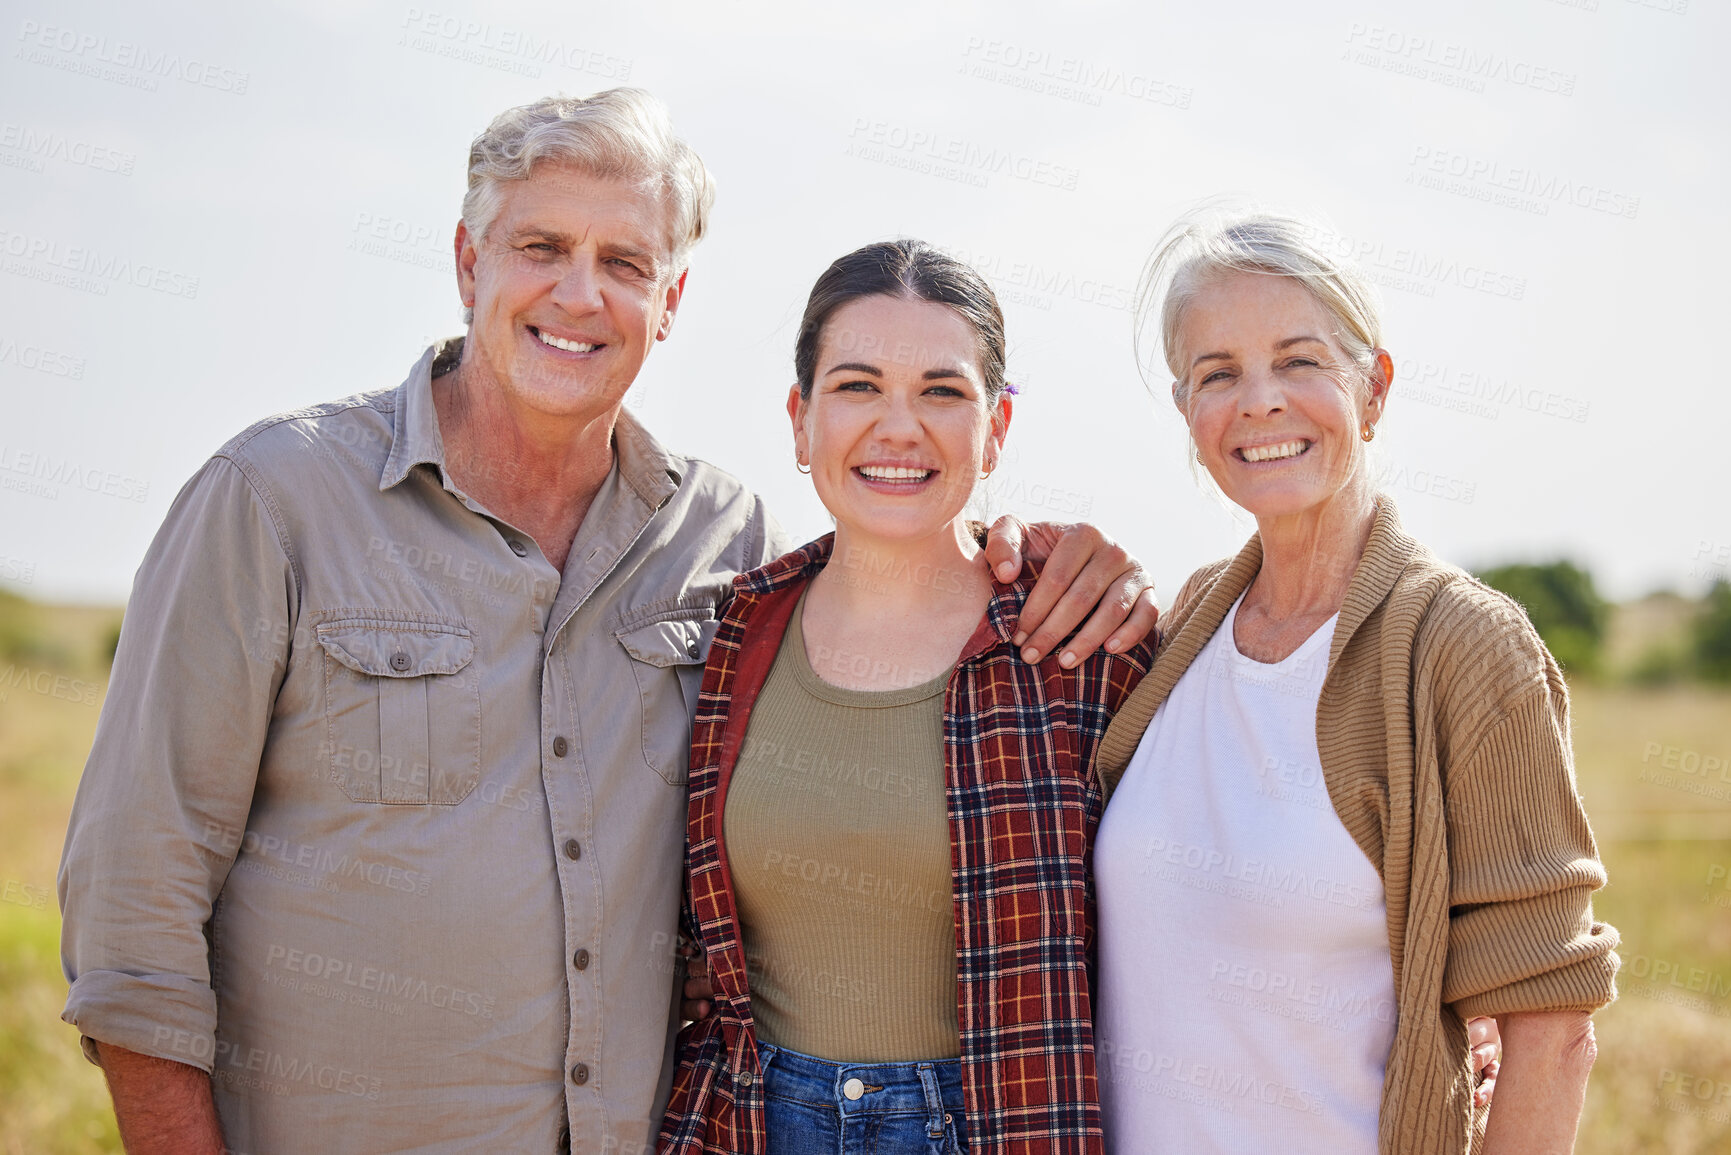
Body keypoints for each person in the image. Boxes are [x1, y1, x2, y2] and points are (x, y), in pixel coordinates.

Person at [56, 91, 1159, 1155]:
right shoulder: (274, 500)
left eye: (626, 264)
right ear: (466, 262)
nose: (581, 295)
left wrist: (1069, 561)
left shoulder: (722, 540)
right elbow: (132, 912)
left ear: (671, 301)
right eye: (542, 247)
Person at [1090, 211, 1619, 1155]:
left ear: (1371, 388)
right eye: (1218, 373)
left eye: (1298, 361)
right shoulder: (1188, 624)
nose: (1258, 402)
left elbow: (1553, 1027)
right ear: (1188, 416)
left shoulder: (1464, 645)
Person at [659, 239, 1154, 1155]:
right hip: (749, 1126)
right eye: (855, 387)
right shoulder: (728, 635)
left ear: (997, 425)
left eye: (941, 390)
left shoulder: (1086, 645)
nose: (897, 427)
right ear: (799, 420)